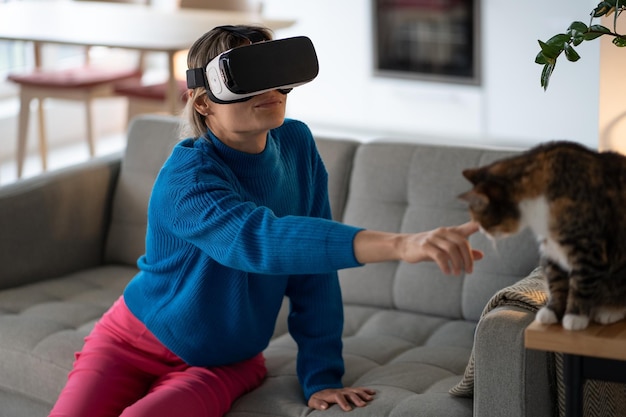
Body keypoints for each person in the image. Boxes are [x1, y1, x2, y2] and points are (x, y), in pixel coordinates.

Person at [49, 25, 483, 417]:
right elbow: (259, 241)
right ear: (204, 103)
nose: (270, 88)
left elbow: (313, 272)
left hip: (226, 360)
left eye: (273, 70)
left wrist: (322, 376)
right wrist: (400, 245)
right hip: (130, 340)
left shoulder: (295, 144)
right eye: (247, 77)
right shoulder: (187, 177)